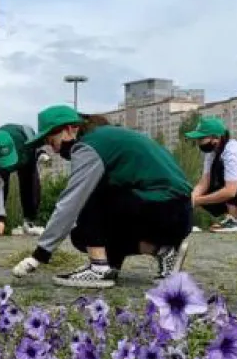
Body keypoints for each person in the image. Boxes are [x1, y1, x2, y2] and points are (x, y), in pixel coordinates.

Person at [10, 105, 193, 289]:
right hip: (178, 212)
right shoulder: (105, 137)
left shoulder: (88, 146)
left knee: (89, 197)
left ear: (69, 129)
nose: (54, 150)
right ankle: (163, 251)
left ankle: (98, 268)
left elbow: (71, 203)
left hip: (164, 209)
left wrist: (40, 254)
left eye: (52, 141)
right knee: (83, 233)